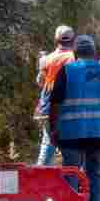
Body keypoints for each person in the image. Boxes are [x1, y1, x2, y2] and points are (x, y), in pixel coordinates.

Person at [49, 35, 100, 201]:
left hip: (72, 132)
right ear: (94, 52)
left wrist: (53, 129)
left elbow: (55, 103)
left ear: (75, 52)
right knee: (95, 174)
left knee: (72, 174)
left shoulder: (68, 71)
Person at [34, 26, 76, 166]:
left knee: (48, 143)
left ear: (56, 39)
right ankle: (69, 177)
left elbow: (40, 82)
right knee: (69, 150)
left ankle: (39, 173)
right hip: (65, 108)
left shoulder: (46, 59)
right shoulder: (72, 58)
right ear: (73, 40)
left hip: (46, 107)